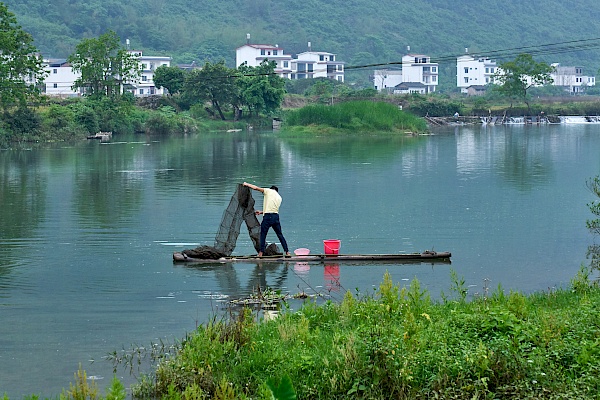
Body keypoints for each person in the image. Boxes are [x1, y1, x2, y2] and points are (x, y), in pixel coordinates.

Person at [243, 182, 290, 257]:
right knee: (280, 235)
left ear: (271, 189)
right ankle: (287, 252)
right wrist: (261, 212)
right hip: (275, 217)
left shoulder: (268, 191)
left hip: (268, 217)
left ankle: (261, 253)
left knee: (263, 235)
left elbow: (256, 188)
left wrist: (247, 184)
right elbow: (273, 209)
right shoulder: (279, 198)